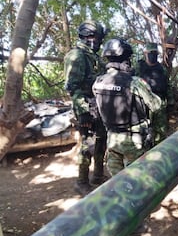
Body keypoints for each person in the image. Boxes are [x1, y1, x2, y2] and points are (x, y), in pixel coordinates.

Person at [93, 38, 162, 176]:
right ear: (125, 59)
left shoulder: (98, 82)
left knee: (117, 183)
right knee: (137, 182)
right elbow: (156, 105)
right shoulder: (134, 82)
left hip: (112, 140)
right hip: (133, 140)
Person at [64, 20, 108, 196]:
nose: (98, 42)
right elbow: (72, 87)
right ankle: (81, 181)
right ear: (89, 36)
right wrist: (83, 112)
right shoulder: (76, 56)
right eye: (97, 37)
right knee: (87, 145)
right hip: (86, 107)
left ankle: (98, 175)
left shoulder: (93, 56)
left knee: (101, 141)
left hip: (98, 106)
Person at [136, 42, 173, 145]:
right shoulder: (139, 68)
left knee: (160, 132)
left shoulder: (162, 69)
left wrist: (171, 101)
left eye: (155, 53)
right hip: (143, 104)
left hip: (159, 103)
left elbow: (168, 85)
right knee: (143, 132)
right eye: (150, 53)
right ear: (145, 53)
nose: (153, 55)